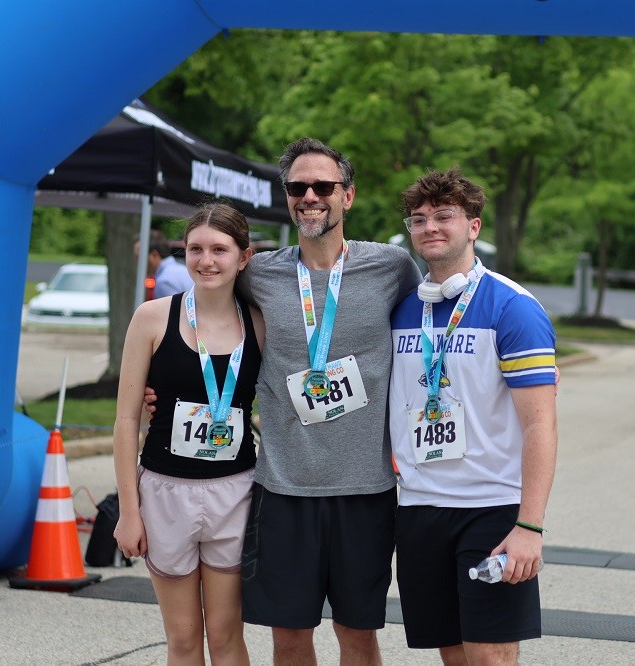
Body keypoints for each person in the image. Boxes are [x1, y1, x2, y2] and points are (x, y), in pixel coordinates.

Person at [235, 137, 422, 664]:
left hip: (365, 490)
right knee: (289, 636)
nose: (310, 196)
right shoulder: (259, 274)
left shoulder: (393, 267)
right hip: (284, 488)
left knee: (356, 635)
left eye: (323, 186)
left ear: (348, 196)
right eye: (298, 187)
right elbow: (209, 325)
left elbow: (429, 334)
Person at [389, 167, 558, 664]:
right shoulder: (402, 308)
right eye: (418, 219)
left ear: (474, 227)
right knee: (454, 653)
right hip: (420, 507)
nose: (430, 227)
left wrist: (530, 526)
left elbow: (540, 425)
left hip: (491, 508)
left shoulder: (513, 307)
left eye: (444, 216)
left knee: (490, 657)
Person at [114, 202, 264, 665]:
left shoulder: (259, 322)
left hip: (234, 492)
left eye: (220, 249)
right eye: (195, 249)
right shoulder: (153, 317)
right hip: (164, 491)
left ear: (244, 256)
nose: (206, 260)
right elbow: (124, 421)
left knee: (225, 636)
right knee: (182, 639)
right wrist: (128, 511)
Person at [137, 229, 194, 298]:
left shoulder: (164, 282)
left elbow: (174, 309)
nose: (136, 262)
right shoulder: (182, 270)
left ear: (154, 255)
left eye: (138, 257)